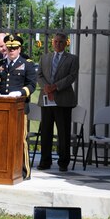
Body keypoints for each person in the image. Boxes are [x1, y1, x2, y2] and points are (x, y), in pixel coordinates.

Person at [0, 34, 38, 178]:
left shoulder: (27, 63)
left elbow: (32, 85)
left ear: (19, 49)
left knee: (20, 139)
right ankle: (2, 167)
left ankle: (24, 171)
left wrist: (20, 93)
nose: (11, 51)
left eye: (14, 48)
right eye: (9, 48)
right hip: (3, 107)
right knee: (1, 137)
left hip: (20, 108)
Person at [36, 32, 79, 171]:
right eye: (55, 41)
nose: (57, 44)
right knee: (46, 131)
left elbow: (72, 76)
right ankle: (45, 161)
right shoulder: (44, 57)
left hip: (63, 100)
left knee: (63, 132)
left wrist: (55, 86)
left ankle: (63, 162)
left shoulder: (72, 59)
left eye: (61, 42)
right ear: (52, 42)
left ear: (66, 43)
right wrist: (46, 87)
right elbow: (39, 75)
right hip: (46, 99)